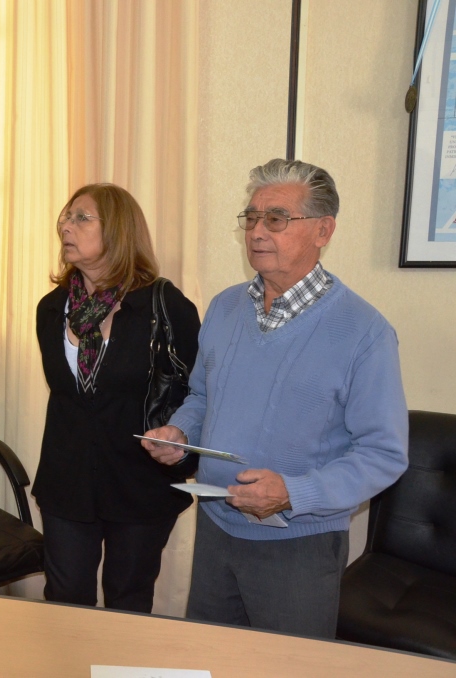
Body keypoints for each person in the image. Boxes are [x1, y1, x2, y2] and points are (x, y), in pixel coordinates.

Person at [142, 159, 408, 638]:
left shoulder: (364, 332)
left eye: (276, 218)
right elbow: (202, 395)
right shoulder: (224, 307)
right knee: (208, 659)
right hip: (216, 529)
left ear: (323, 230)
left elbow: (383, 454)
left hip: (298, 545)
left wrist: (294, 494)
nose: (257, 231)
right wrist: (181, 432)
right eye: (251, 217)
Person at [33, 183, 201, 612]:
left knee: (128, 604)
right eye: (65, 218)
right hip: (67, 480)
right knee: (65, 602)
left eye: (81, 218)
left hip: (139, 482)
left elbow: (198, 392)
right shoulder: (52, 308)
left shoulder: (165, 306)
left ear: (119, 230)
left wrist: (180, 444)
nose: (65, 227)